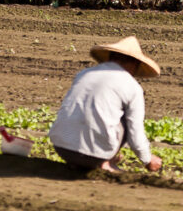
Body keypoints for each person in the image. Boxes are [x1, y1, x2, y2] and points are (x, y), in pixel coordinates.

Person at [49, 35, 163, 173]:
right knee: (126, 119)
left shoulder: (84, 74)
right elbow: (135, 131)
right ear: (134, 63)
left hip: (62, 148)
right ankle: (105, 163)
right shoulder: (132, 86)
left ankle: (91, 159)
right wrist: (148, 159)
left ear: (110, 57)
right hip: (94, 155)